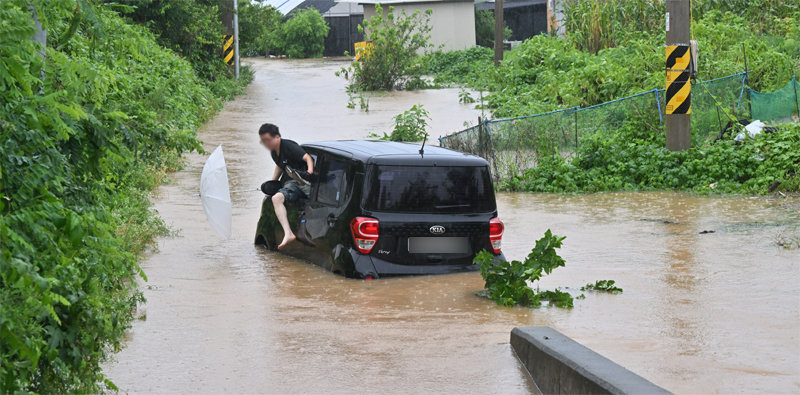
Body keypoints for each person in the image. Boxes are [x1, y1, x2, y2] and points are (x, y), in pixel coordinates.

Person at [259, 123, 315, 249]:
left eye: (268, 140)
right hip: (292, 182)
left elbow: (308, 158)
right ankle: (288, 233)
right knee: (276, 198)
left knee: (313, 204)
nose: (266, 144)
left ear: (277, 137)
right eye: (263, 141)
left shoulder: (289, 146)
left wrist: (309, 173)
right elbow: (280, 165)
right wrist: (272, 182)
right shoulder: (274, 152)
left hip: (305, 181)